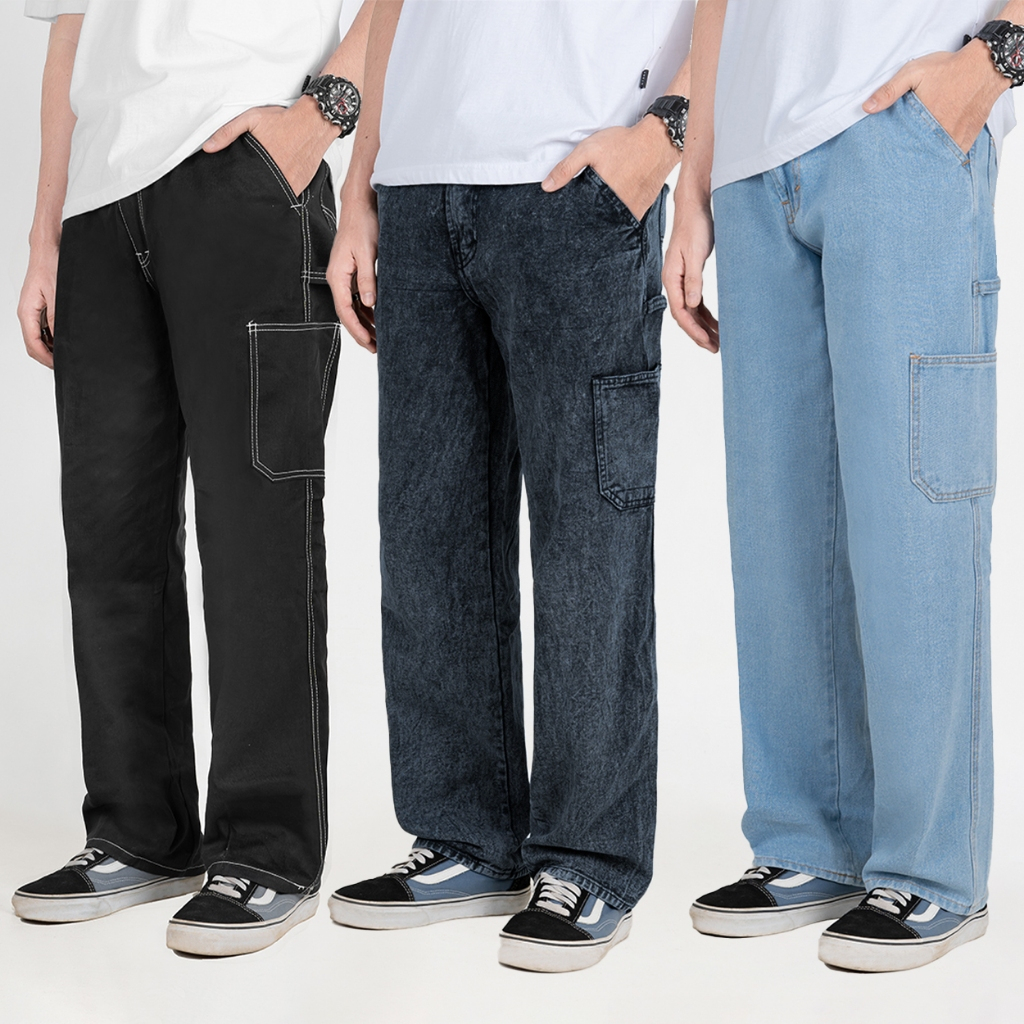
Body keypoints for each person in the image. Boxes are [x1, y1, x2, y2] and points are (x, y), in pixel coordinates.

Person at [324, 0, 694, 973]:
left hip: (575, 176)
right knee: (428, 536)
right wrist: (360, 184)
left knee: (588, 537)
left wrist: (668, 130)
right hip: (416, 186)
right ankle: (465, 837)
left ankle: (589, 858)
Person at [13, 0, 372, 957]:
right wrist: (46, 230)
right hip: (99, 201)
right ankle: (138, 830)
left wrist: (322, 116)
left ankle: (268, 847)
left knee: (256, 530)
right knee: (110, 538)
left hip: (244, 172)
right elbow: (68, 25)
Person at [667, 0, 1019, 972]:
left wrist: (993, 60)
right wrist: (695, 178)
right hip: (751, 161)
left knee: (915, 518)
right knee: (780, 527)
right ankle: (808, 841)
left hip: (899, 127)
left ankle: (933, 867)